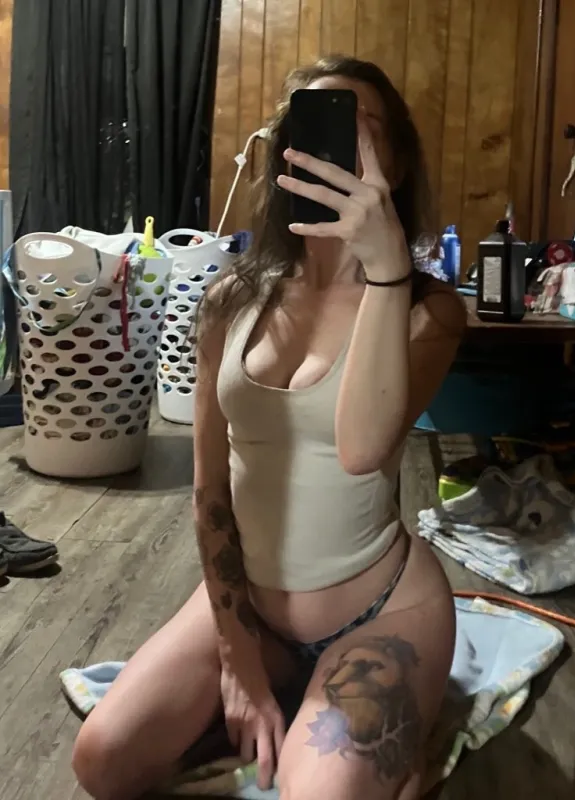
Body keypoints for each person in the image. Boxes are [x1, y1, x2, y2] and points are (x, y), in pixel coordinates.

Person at [72, 55, 466, 800]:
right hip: (250, 604)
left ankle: (379, 747)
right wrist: (237, 654)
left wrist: (384, 269)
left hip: (379, 612)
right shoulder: (231, 299)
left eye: (361, 129)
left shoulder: (427, 310)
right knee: (103, 760)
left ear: (396, 159)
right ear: (285, 154)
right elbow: (209, 487)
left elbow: (362, 449)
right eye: (312, 130)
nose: (333, 149)